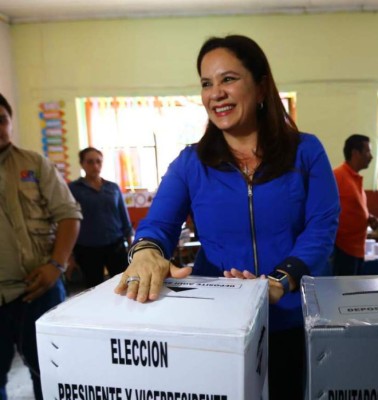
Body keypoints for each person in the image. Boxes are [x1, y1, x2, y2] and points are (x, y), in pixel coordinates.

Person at [114, 35, 340, 400]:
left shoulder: (306, 151)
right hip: (219, 324)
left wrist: (282, 280)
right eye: (206, 83)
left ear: (261, 85)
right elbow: (159, 224)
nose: (215, 93)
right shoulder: (191, 163)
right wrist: (146, 252)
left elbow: (321, 226)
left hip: (294, 318)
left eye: (228, 79)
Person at [0, 93, 82, 400]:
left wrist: (56, 265)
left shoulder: (35, 164)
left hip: (39, 291)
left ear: (10, 122)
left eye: (1, 119)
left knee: (50, 374)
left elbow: (69, 215)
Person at [69, 147, 134, 288]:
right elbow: (68, 221)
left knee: (124, 285)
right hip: (87, 249)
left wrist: (131, 245)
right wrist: (69, 256)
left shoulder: (113, 188)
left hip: (115, 246)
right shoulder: (73, 189)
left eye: (98, 162)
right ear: (82, 164)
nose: (95, 166)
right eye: (90, 162)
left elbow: (124, 217)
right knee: (94, 288)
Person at [332, 134, 378, 276]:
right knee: (343, 294)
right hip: (343, 250)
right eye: (367, 151)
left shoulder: (355, 178)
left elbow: (351, 207)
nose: (371, 156)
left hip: (357, 250)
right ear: (355, 153)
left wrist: (368, 217)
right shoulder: (338, 176)